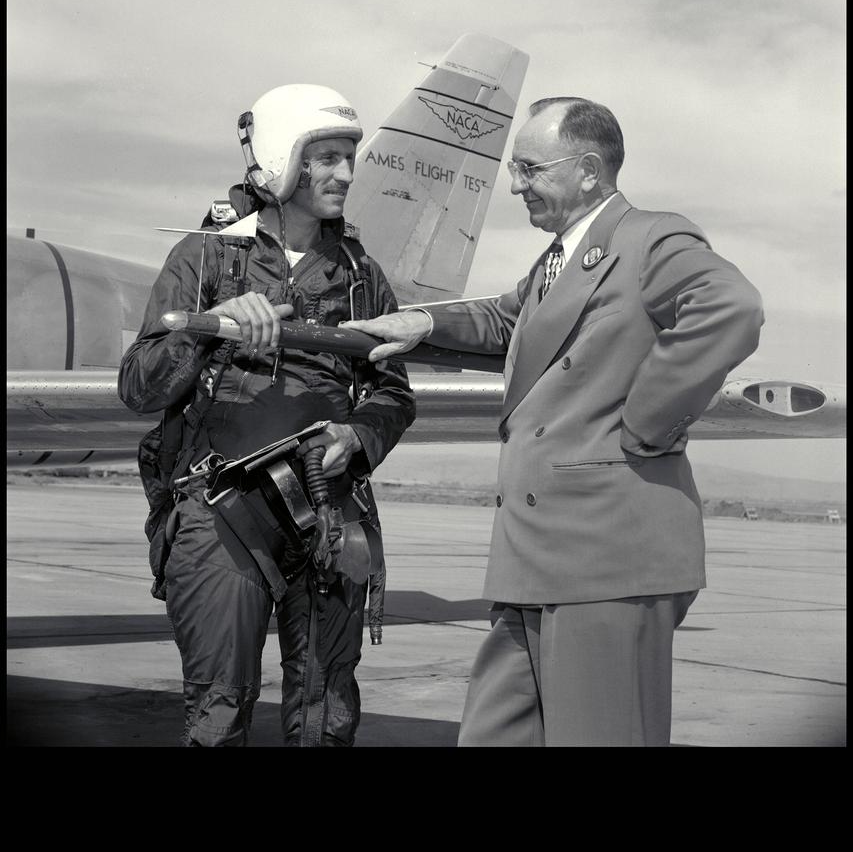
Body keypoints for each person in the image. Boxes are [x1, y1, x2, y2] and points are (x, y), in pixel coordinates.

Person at [344, 96, 764, 747]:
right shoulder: (559, 260)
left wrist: (647, 423)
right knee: (493, 732)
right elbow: (509, 319)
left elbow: (730, 307)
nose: (515, 185)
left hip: (607, 548)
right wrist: (423, 321)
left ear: (588, 171)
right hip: (536, 552)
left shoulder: (648, 237)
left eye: (530, 170)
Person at [119, 84, 415, 747]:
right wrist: (208, 331)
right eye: (327, 158)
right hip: (221, 513)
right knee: (218, 716)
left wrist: (359, 433)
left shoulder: (362, 276)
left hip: (328, 513)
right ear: (285, 158)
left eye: (348, 158)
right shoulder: (208, 256)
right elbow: (138, 385)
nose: (345, 174)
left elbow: (394, 393)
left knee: (326, 719)